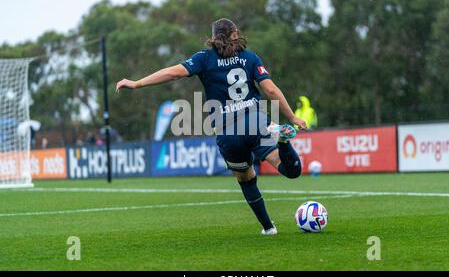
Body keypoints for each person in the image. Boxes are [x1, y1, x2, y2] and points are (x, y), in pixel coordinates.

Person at [116, 18, 307, 235]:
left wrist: (137, 83)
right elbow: (270, 90)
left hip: (227, 132)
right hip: (255, 122)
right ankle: (282, 141)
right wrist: (292, 117)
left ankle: (269, 228)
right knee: (291, 171)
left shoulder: (204, 58)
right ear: (235, 33)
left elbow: (173, 73)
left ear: (214, 37)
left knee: (246, 179)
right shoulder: (250, 57)